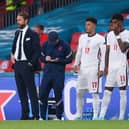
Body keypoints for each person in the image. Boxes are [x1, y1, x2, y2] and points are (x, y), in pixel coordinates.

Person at [73, 17, 105, 120]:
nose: (86, 26)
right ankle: (79, 114)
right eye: (86, 24)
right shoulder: (82, 37)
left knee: (94, 92)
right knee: (79, 92)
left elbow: (103, 56)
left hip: (93, 69)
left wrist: (102, 69)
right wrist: (76, 64)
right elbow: (79, 52)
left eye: (89, 24)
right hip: (82, 69)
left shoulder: (100, 38)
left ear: (94, 25)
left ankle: (95, 116)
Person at [11, 11, 41, 120]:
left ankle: (36, 115)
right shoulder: (17, 33)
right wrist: (12, 55)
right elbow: (14, 47)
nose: (17, 22)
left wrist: (30, 63)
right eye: (17, 20)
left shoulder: (33, 34)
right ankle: (25, 115)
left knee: (31, 91)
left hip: (27, 65)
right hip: (17, 65)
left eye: (19, 20)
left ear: (26, 20)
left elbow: (37, 51)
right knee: (21, 91)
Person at [99, 14, 129, 120]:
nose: (113, 24)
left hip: (121, 67)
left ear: (121, 23)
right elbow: (107, 51)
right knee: (107, 91)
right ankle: (101, 116)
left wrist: (117, 35)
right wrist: (106, 66)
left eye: (115, 22)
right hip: (111, 68)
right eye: (112, 22)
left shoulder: (127, 34)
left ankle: (121, 117)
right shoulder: (109, 35)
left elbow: (123, 49)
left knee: (122, 92)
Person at [39, 31, 72, 120]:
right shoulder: (46, 44)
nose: (52, 43)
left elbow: (70, 59)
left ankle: (59, 116)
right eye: (51, 41)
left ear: (58, 39)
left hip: (58, 74)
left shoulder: (64, 45)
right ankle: (42, 117)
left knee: (58, 95)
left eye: (54, 41)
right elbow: (40, 56)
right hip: (47, 74)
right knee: (42, 95)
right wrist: (45, 59)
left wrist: (59, 60)